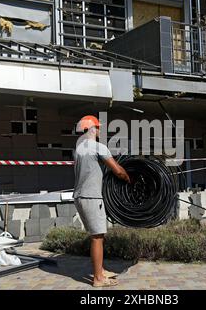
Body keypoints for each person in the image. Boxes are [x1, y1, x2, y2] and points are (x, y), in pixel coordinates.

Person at [73, 115, 131, 287]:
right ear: (92, 129)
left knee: (98, 235)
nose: (99, 131)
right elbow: (118, 171)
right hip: (91, 197)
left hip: (80, 196)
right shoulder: (98, 147)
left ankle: (100, 270)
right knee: (97, 237)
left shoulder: (79, 149)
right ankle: (98, 278)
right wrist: (128, 179)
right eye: (98, 128)